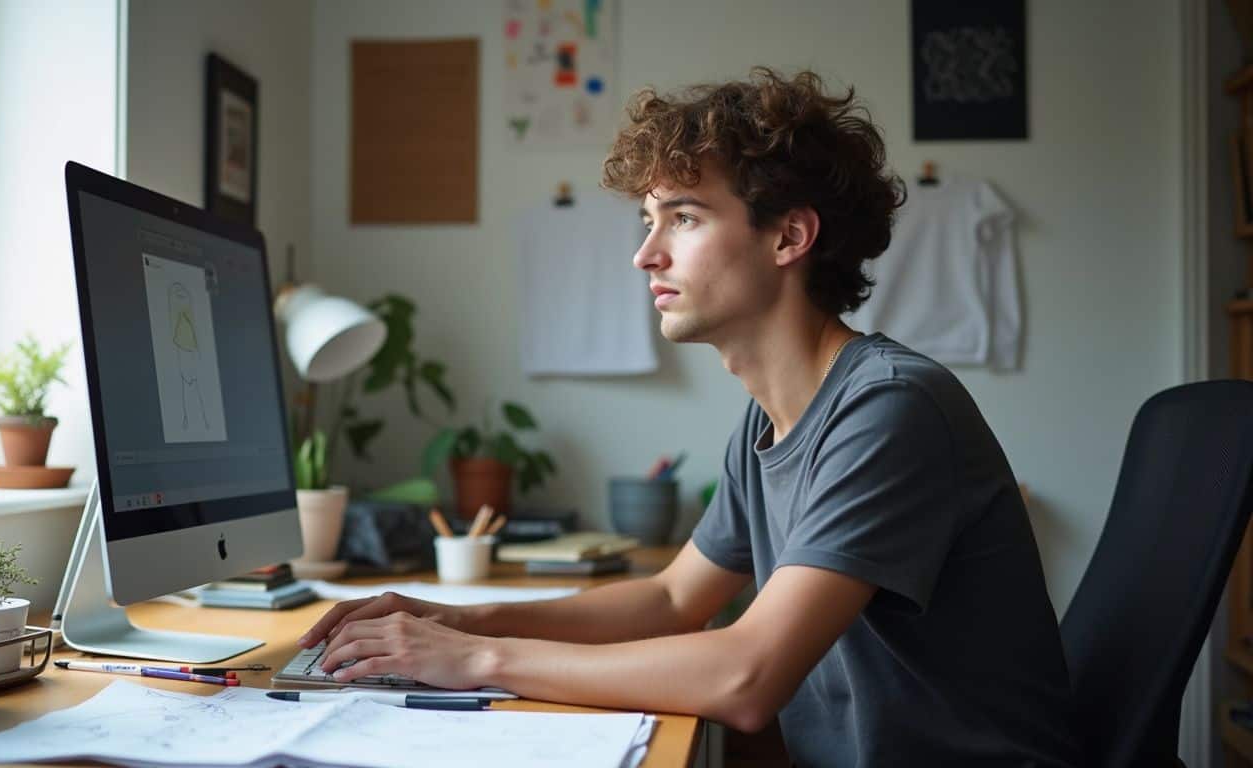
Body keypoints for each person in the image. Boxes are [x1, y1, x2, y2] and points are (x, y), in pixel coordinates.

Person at [298, 68, 1080, 767]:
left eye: (684, 217)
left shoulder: (888, 408)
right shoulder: (771, 417)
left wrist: (477, 660)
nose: (646, 254)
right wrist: (459, 622)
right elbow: (672, 600)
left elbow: (745, 678)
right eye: (648, 220)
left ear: (789, 235)